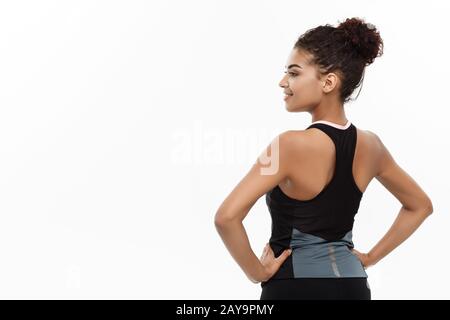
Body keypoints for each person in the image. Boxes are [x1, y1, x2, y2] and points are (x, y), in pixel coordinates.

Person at [214, 17, 433, 300]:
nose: (283, 82)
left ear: (329, 82)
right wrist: (369, 258)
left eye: (293, 73)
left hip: (295, 286)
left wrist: (256, 272)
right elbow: (420, 205)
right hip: (354, 286)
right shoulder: (372, 146)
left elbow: (226, 217)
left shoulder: (288, 145)